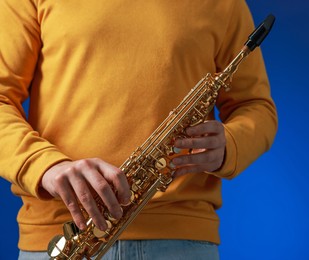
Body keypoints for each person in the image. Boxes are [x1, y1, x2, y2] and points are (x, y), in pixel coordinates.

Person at [0, 0, 277, 259]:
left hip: (180, 239)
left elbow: (256, 106)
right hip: (67, 236)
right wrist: (46, 167)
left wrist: (228, 144)